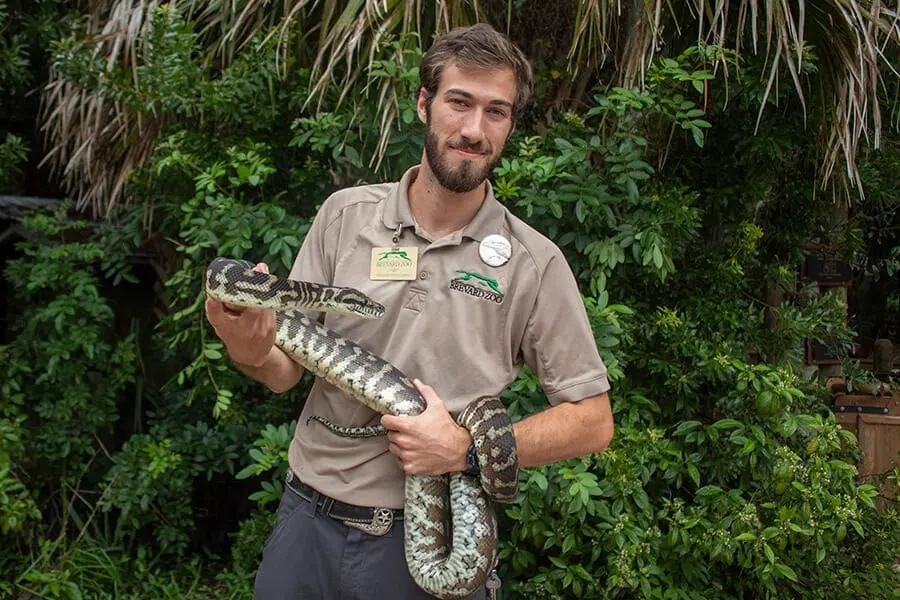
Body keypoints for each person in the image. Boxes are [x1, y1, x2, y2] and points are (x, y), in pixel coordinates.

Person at [205, 23, 614, 600]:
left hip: (429, 537)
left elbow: (593, 420)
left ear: (510, 124)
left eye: (496, 112)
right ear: (424, 104)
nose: (474, 129)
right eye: (459, 103)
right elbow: (282, 370)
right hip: (307, 522)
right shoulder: (345, 215)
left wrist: (465, 450)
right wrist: (245, 342)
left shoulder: (534, 263)